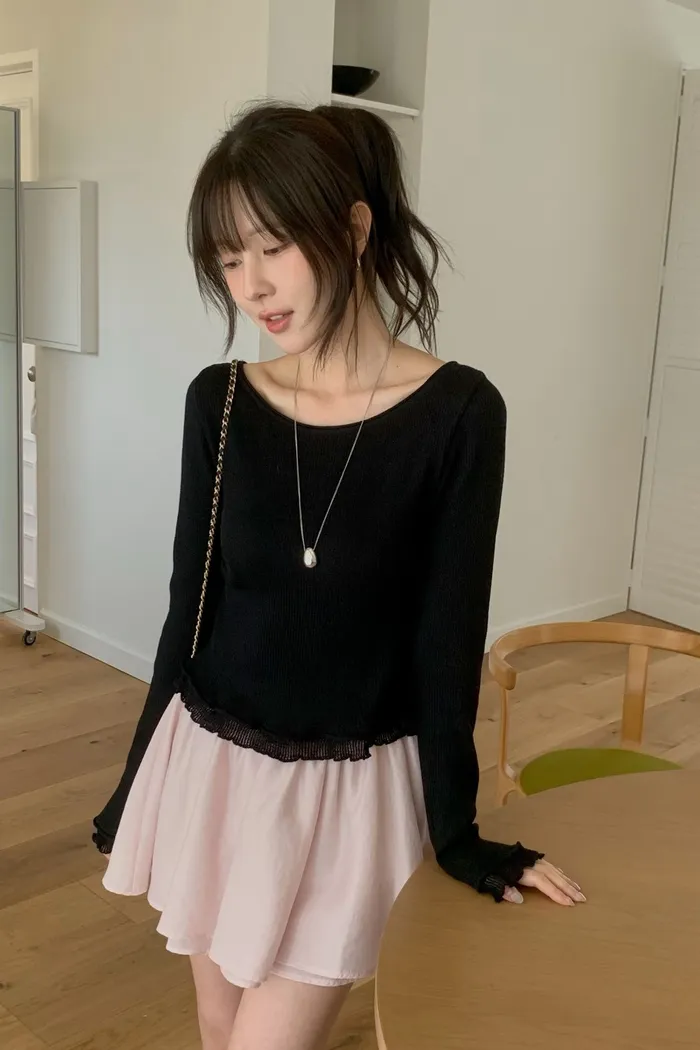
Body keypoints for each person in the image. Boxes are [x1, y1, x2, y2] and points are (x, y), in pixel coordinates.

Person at [92, 101, 584, 1050]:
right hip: (213, 770)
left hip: (348, 792)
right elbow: (188, 614)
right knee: (218, 1025)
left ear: (353, 229)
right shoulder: (220, 402)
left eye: (272, 247)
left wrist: (458, 832)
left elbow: (448, 643)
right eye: (227, 261)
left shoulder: (458, 414)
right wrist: (134, 781)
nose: (252, 286)